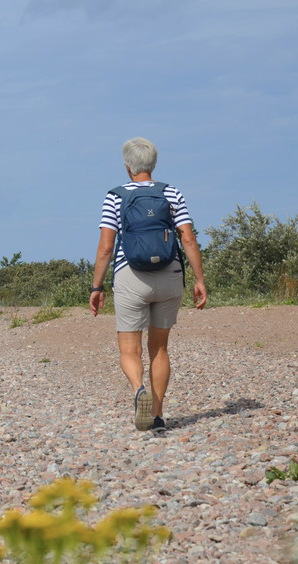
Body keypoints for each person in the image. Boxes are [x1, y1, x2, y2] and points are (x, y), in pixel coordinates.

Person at [89, 137, 207, 431]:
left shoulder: (115, 196)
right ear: (153, 165)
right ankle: (156, 414)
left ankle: (138, 389)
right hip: (169, 276)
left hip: (131, 276)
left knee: (130, 349)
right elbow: (188, 239)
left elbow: (106, 247)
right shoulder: (171, 193)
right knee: (160, 349)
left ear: (127, 166)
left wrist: (97, 287)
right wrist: (200, 280)